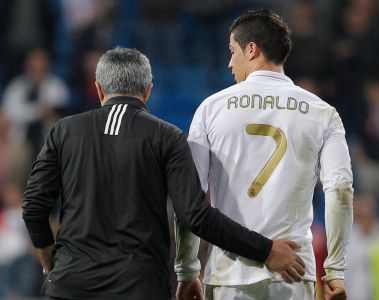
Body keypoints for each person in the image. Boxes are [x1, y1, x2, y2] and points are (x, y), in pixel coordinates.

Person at [22, 47, 306, 300]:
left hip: (70, 287)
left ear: (98, 89)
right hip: (139, 287)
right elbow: (195, 216)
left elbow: (33, 207)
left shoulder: (64, 131)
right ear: (148, 91)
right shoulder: (167, 137)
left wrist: (51, 265)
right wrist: (265, 250)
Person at [175, 9, 353, 300]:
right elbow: (341, 190)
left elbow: (191, 199)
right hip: (295, 273)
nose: (230, 62)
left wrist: (187, 269)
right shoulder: (323, 112)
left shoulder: (210, 108)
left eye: (233, 51)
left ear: (252, 49)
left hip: (230, 275)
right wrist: (334, 270)